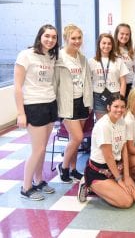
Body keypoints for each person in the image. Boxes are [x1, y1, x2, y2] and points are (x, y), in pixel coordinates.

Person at [15, 24, 59, 200]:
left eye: (54, 37)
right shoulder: (26, 55)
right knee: (37, 149)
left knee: (43, 148)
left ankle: (39, 180)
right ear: (40, 36)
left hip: (50, 103)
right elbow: (17, 86)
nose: (50, 39)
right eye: (47, 36)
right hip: (34, 105)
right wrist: (20, 113)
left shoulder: (51, 56)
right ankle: (26, 187)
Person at [78, 95, 135, 208]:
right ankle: (88, 184)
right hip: (99, 171)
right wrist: (120, 180)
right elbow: (109, 157)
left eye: (122, 107)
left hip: (115, 168)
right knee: (127, 202)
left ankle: (111, 185)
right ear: (108, 107)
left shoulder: (121, 122)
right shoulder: (103, 125)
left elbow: (124, 149)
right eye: (116, 106)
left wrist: (127, 176)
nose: (119, 110)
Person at [54, 24, 93, 183]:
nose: (77, 41)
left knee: (75, 139)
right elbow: (54, 83)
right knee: (77, 138)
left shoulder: (82, 58)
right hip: (66, 103)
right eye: (73, 38)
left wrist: (89, 103)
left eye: (79, 38)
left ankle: (73, 169)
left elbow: (87, 82)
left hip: (82, 102)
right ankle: (63, 167)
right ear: (66, 39)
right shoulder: (59, 58)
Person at [89, 33, 128, 120]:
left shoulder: (118, 61)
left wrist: (121, 99)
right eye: (104, 43)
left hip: (115, 95)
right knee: (102, 123)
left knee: (115, 122)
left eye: (109, 43)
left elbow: (123, 81)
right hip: (98, 96)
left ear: (112, 45)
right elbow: (89, 82)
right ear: (99, 44)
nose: (106, 46)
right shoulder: (91, 61)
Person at [114, 23, 135, 97]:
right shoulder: (112, 49)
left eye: (127, 34)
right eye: (122, 34)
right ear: (117, 34)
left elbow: (132, 68)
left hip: (130, 84)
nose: (124, 36)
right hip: (118, 85)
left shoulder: (130, 50)